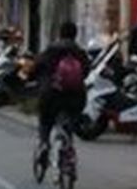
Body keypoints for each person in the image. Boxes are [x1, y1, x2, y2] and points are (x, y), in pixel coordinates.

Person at [30, 20, 91, 154]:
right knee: (69, 120)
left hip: (51, 94)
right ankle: (67, 148)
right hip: (75, 96)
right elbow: (86, 72)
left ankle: (44, 143)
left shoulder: (50, 50)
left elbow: (35, 68)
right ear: (75, 35)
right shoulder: (80, 52)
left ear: (60, 34)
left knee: (45, 120)